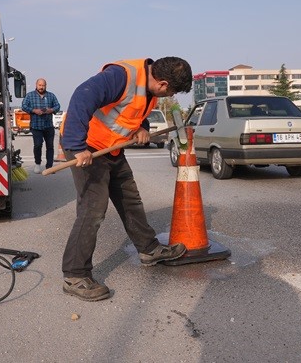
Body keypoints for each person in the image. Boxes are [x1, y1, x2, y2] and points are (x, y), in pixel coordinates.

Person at [59, 57, 193, 301]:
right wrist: (75, 146)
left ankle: (149, 250)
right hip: (88, 149)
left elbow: (131, 112)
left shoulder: (148, 84)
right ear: (163, 84)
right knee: (93, 208)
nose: (166, 96)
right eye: (170, 92)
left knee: (130, 199)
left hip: (112, 149)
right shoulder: (122, 77)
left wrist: (142, 128)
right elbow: (82, 96)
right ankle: (75, 275)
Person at [21, 78, 61, 174]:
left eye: (43, 85)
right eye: (40, 85)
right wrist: (34, 110)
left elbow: (57, 106)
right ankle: (37, 164)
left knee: (50, 146)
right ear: (36, 85)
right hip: (36, 126)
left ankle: (49, 167)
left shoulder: (51, 96)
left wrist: (50, 110)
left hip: (48, 126)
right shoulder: (30, 95)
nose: (41, 87)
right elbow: (24, 106)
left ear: (46, 85)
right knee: (38, 145)